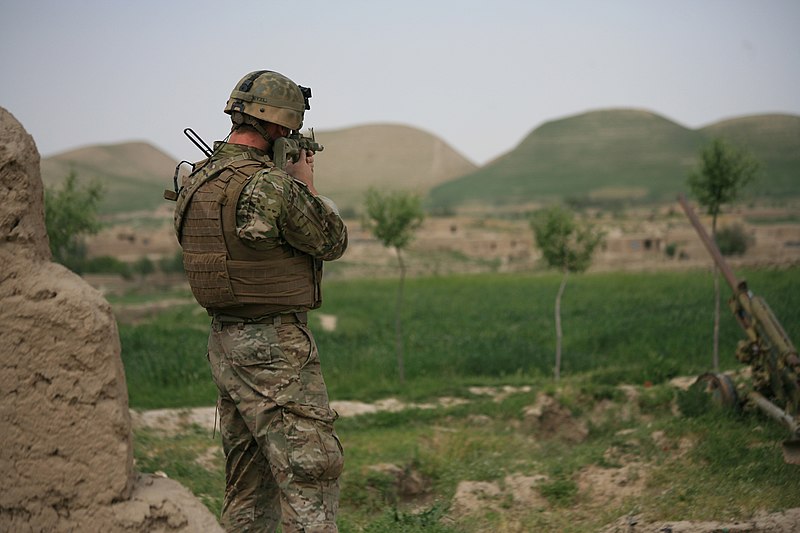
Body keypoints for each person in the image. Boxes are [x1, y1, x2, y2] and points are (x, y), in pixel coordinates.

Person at [172, 69, 348, 532]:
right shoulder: (270, 186)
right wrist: (304, 183)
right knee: (312, 467)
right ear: (275, 128)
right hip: (274, 347)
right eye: (289, 132)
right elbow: (331, 240)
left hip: (224, 341)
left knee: (249, 481)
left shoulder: (198, 179)